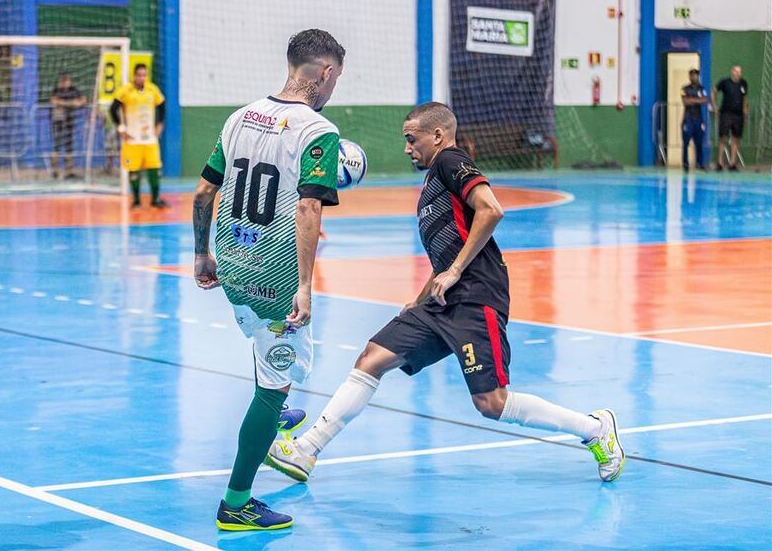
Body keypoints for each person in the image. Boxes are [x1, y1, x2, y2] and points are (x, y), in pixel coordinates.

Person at [266, 102, 625, 490]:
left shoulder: (450, 161)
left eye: (411, 138)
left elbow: (491, 209)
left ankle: (594, 429)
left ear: (437, 135)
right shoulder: (433, 183)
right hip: (440, 302)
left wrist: (455, 271)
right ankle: (307, 449)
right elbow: (446, 253)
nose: (407, 148)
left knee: (492, 403)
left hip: (474, 295)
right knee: (372, 358)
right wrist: (419, 300)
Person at [192, 29, 345, 531]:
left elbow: (201, 194)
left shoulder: (240, 116)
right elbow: (306, 206)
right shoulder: (316, 130)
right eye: (336, 79)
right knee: (275, 384)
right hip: (276, 277)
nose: (333, 88)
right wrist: (303, 284)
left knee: (263, 350)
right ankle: (236, 502)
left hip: (233, 262)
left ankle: (271, 411)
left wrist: (202, 254)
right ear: (324, 73)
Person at [109, 64, 168, 207]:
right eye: (139, 75)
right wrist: (121, 128)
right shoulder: (125, 91)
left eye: (144, 75)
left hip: (149, 139)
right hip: (132, 139)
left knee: (154, 169)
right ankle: (136, 200)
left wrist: (159, 125)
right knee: (133, 170)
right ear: (134, 76)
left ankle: (155, 199)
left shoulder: (152, 89)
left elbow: (162, 106)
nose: (142, 78)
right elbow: (113, 109)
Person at [50, 73, 86, 179]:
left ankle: (69, 171)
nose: (66, 83)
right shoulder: (57, 90)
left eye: (68, 80)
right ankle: (55, 171)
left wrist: (68, 103)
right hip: (58, 120)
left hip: (70, 120)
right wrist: (71, 103)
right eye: (64, 81)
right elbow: (54, 101)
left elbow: (82, 100)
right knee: (57, 145)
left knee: (69, 146)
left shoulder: (74, 90)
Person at [714, 65, 748, 171]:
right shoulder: (725, 82)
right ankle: (720, 162)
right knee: (723, 137)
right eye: (736, 71)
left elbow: (745, 97)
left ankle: (732, 162)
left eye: (740, 71)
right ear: (732, 72)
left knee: (736, 138)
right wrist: (714, 106)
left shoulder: (743, 83)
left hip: (738, 115)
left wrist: (745, 109)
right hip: (726, 113)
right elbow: (714, 91)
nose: (738, 73)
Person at [680, 69, 709, 172]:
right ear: (689, 77)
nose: (693, 77)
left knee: (699, 142)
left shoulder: (702, 88)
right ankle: (685, 163)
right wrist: (697, 100)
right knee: (686, 142)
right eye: (691, 76)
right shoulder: (684, 89)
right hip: (687, 119)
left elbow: (705, 100)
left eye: (695, 76)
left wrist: (692, 100)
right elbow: (685, 102)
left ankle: (700, 163)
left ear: (698, 76)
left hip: (698, 119)